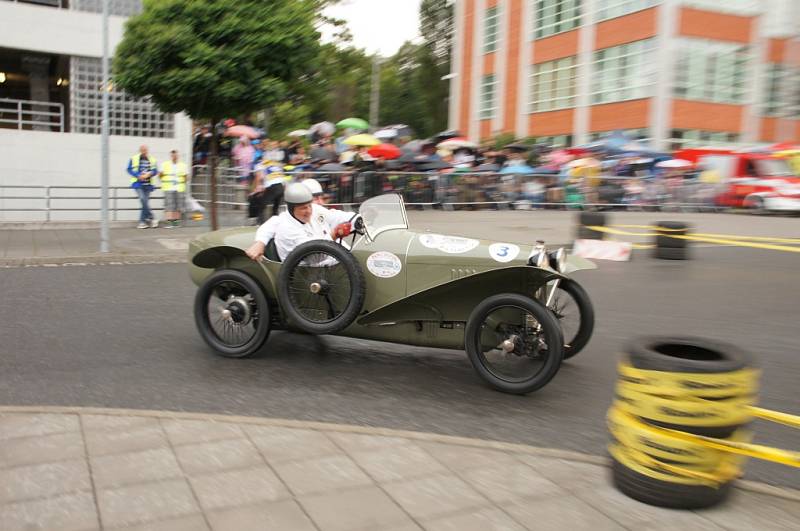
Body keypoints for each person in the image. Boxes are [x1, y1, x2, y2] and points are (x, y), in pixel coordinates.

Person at [246, 181, 353, 262]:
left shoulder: (315, 210)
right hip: (313, 270)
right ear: (292, 207)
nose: (309, 210)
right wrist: (260, 242)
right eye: (315, 197)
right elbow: (313, 257)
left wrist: (358, 219)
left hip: (333, 257)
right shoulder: (286, 226)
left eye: (310, 205)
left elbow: (335, 215)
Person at [127, 145, 158, 229]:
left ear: (147, 150)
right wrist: (137, 175)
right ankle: (152, 217)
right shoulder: (134, 158)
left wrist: (150, 173)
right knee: (142, 199)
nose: (144, 151)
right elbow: (129, 169)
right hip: (138, 183)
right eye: (143, 150)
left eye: (146, 150)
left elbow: (155, 171)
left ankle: (142, 222)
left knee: (144, 203)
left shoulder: (152, 159)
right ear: (140, 150)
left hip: (148, 184)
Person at [160, 150, 188, 228]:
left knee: (178, 205)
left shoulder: (183, 165)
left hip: (179, 188)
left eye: (176, 155)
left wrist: (182, 183)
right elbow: (160, 175)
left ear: (178, 156)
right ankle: (169, 222)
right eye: (173, 155)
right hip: (168, 187)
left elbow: (186, 176)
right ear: (171, 156)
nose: (174, 157)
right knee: (169, 205)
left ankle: (176, 223)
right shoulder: (165, 164)